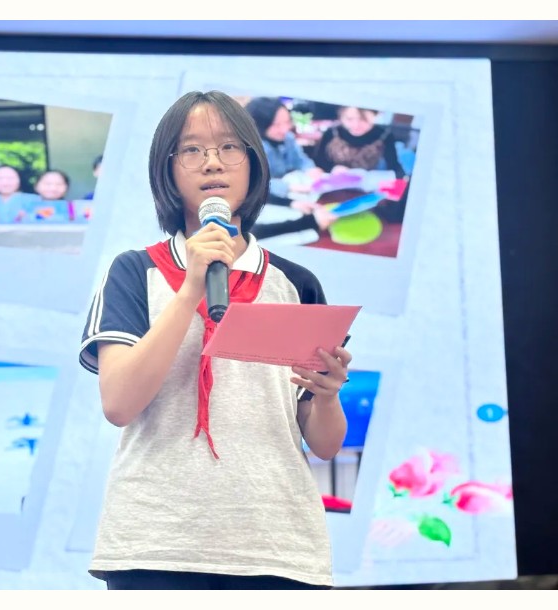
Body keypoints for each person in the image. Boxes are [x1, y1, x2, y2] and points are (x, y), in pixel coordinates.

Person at [79, 90, 352, 590]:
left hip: (278, 546)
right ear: (167, 170)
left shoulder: (297, 284)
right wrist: (191, 289)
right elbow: (118, 403)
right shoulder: (134, 272)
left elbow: (324, 443)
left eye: (229, 147)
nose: (212, 162)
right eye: (191, 149)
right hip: (155, 542)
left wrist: (329, 395)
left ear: (254, 164)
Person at [245, 97, 336, 236]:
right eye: (276, 125)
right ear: (258, 125)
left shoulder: (288, 137)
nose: (284, 129)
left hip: (291, 196)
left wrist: (310, 169)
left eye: (287, 122)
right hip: (269, 202)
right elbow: (255, 185)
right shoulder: (250, 151)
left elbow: (300, 159)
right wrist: (289, 187)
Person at [312, 106, 406, 178]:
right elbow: (318, 163)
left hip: (365, 185)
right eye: (349, 119)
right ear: (341, 117)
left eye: (363, 119)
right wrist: (331, 170)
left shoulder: (384, 135)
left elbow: (393, 166)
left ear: (376, 116)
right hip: (333, 182)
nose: (356, 125)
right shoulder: (332, 133)